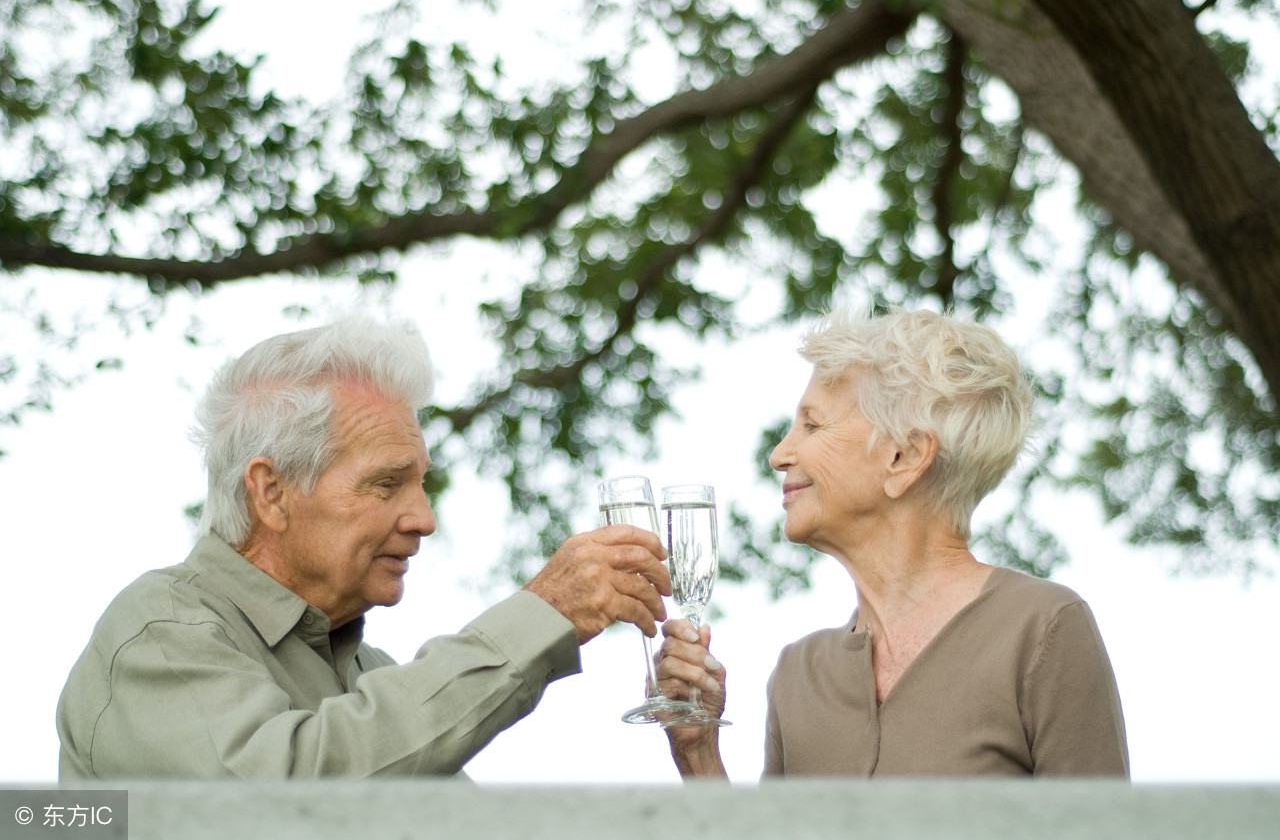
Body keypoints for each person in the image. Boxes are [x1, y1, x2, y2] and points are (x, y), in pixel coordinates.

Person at [57, 316, 670, 779]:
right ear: (272, 493)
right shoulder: (161, 631)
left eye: (421, 483)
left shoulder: (368, 672)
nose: (424, 519)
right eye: (386, 483)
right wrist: (541, 616)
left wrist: (697, 757)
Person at [657, 307, 1129, 777]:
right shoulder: (798, 675)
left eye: (813, 425)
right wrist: (699, 753)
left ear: (904, 456)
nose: (779, 455)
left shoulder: (1043, 629)